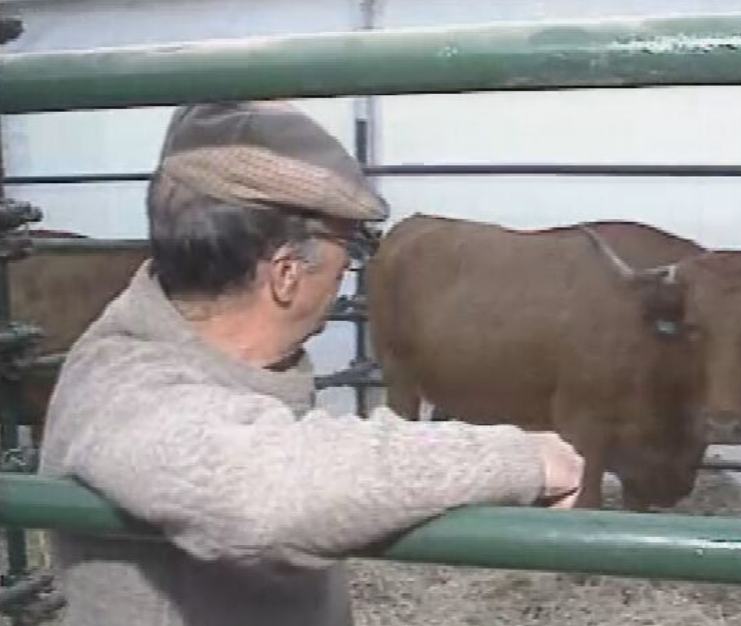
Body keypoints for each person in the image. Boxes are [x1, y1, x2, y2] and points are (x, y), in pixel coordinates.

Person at [37, 101, 584, 626]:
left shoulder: (218, 364)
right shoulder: (123, 384)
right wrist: (520, 456)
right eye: (347, 252)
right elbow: (261, 493)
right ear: (287, 275)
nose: (347, 276)